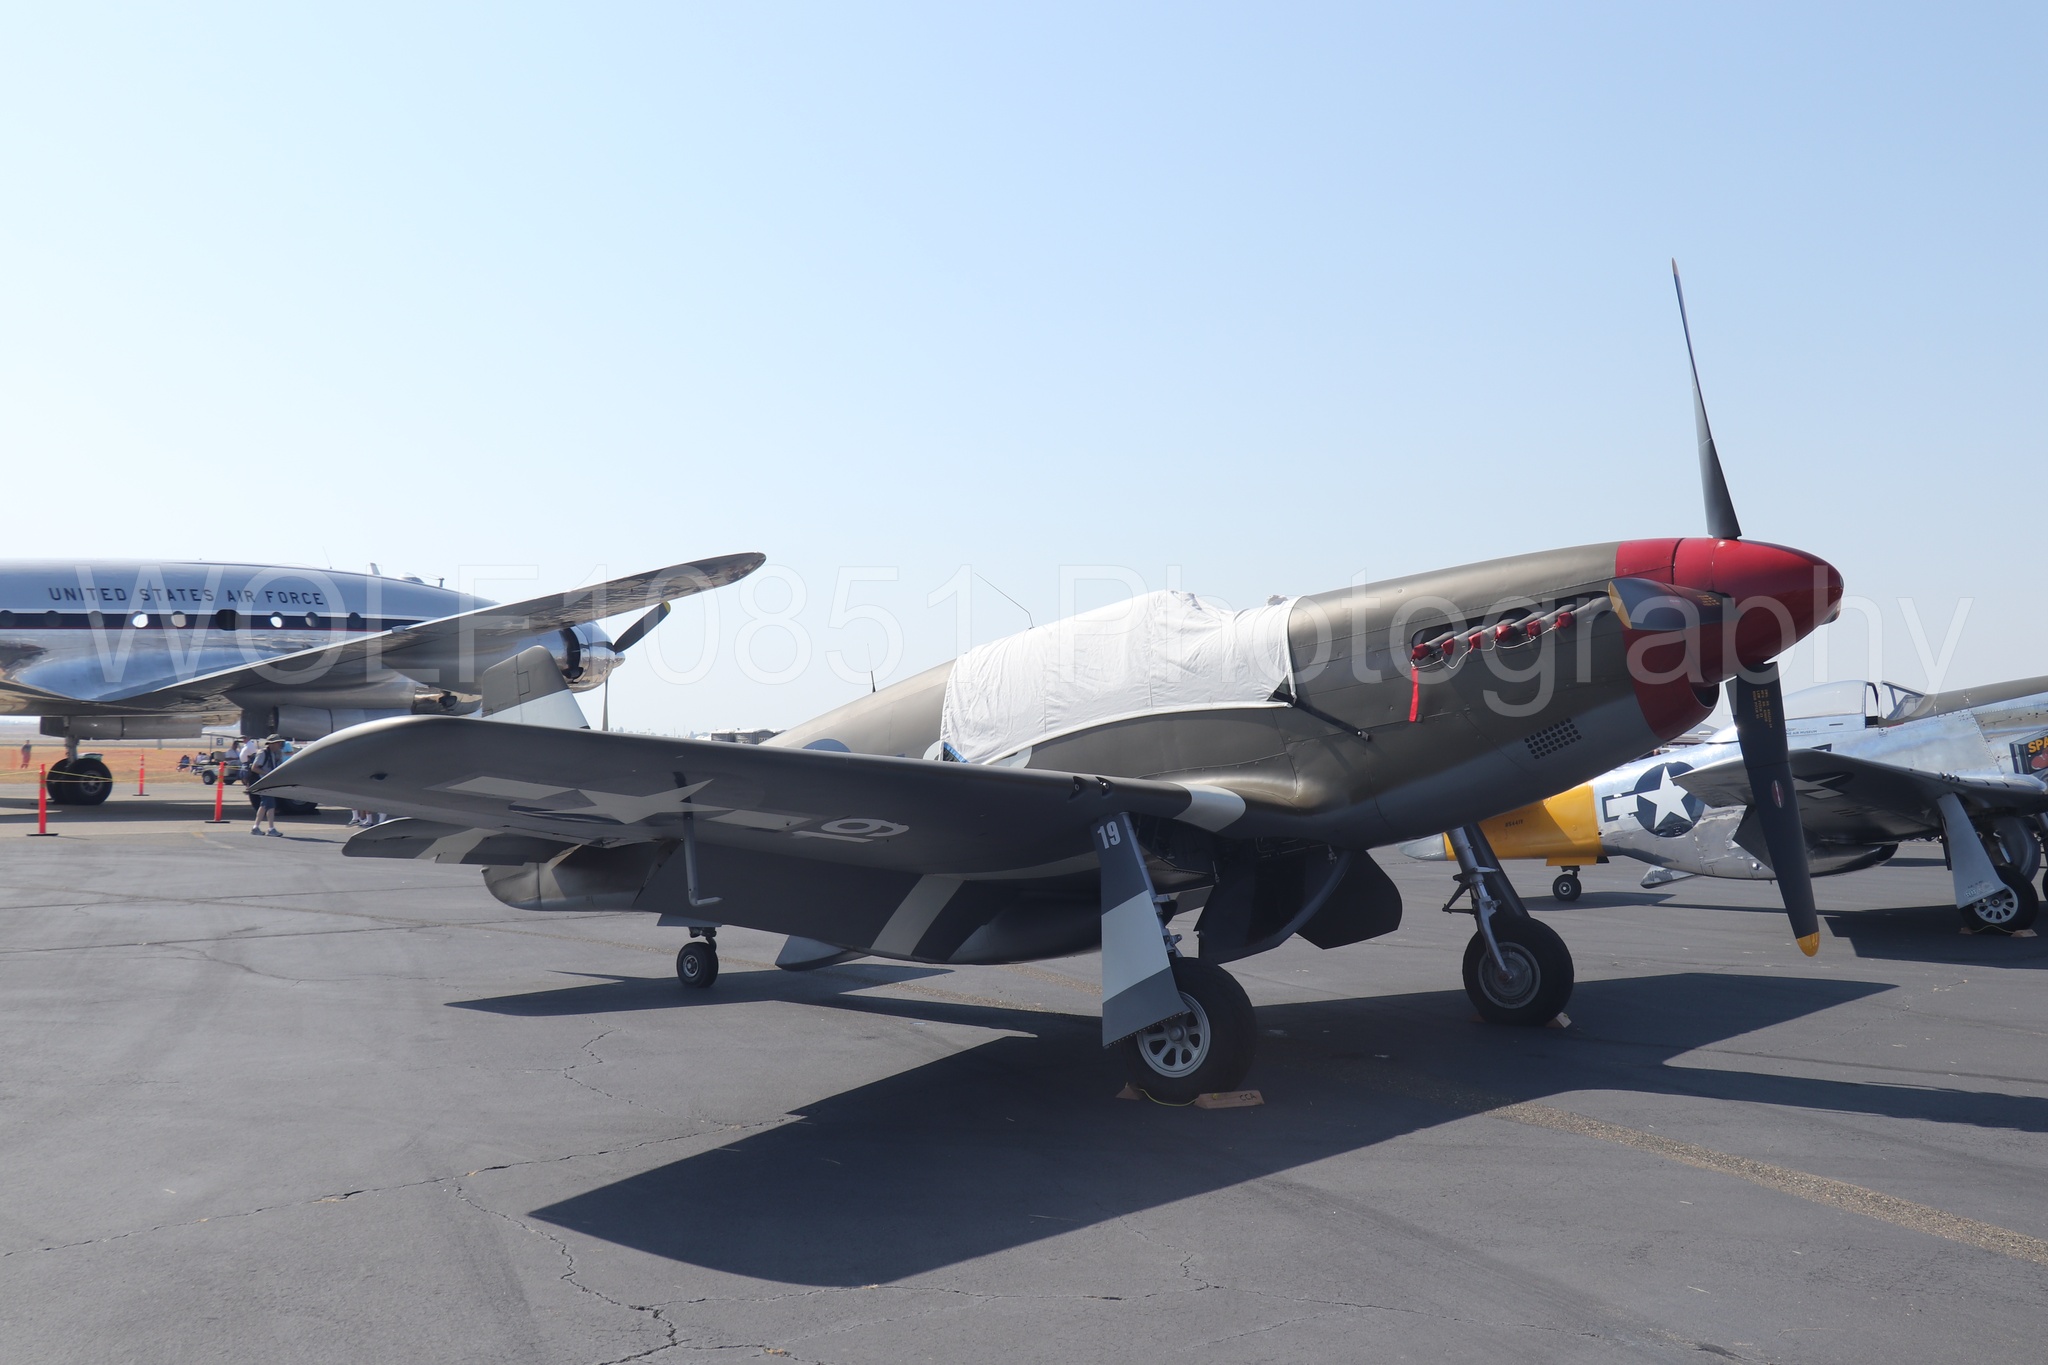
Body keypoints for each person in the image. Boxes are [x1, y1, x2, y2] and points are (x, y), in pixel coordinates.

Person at [246, 735, 287, 837]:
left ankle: (256, 827)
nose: (279, 745)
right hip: (263, 782)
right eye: (278, 743)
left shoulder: (274, 754)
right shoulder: (263, 753)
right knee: (270, 805)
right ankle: (270, 828)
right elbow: (254, 768)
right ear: (272, 744)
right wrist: (266, 774)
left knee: (265, 805)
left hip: (268, 782)